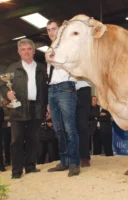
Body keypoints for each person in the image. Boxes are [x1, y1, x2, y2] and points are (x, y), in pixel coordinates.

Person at [0, 38, 48, 179]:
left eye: (29, 49)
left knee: (33, 138)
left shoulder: (41, 68)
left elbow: (46, 88)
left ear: (33, 51)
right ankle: (16, 171)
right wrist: (7, 93)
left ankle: (31, 167)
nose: (26, 52)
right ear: (18, 52)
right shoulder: (12, 68)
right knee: (17, 140)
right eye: (23, 49)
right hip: (18, 109)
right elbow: (3, 85)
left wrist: (47, 105)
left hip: (36, 107)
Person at [46, 19, 80, 177]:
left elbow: (72, 66)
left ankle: (74, 163)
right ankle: (64, 161)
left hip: (66, 87)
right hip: (52, 89)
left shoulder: (68, 46)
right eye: (48, 30)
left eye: (54, 29)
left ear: (60, 30)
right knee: (58, 129)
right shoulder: (50, 48)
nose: (51, 32)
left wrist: (54, 58)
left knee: (69, 128)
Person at [76, 80, 92, 167]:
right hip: (66, 89)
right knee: (70, 127)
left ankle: (84, 157)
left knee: (83, 125)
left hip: (83, 89)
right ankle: (73, 156)